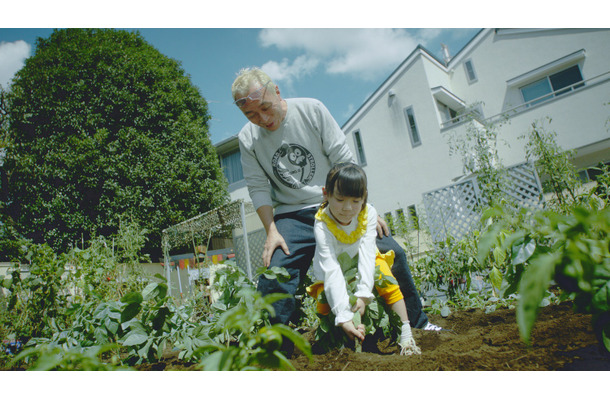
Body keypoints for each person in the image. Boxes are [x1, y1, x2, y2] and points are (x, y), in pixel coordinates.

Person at [231, 67, 442, 332]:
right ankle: (273, 351)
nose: (262, 118)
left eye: (265, 107)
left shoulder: (312, 110)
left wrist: (366, 210)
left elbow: (344, 162)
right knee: (277, 271)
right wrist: (271, 230)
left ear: (276, 91)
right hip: (292, 214)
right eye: (251, 114)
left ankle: (417, 324)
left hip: (334, 203)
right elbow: (258, 186)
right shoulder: (247, 138)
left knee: (392, 252)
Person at [309, 162, 421, 355]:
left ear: (364, 197)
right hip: (335, 269)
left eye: (355, 201)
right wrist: (344, 316)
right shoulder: (322, 224)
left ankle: (406, 334)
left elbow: (368, 253)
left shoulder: (368, 213)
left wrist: (362, 295)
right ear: (325, 194)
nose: (347, 208)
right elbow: (332, 269)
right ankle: (338, 343)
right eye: (340, 199)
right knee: (326, 302)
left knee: (385, 277)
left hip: (361, 259)